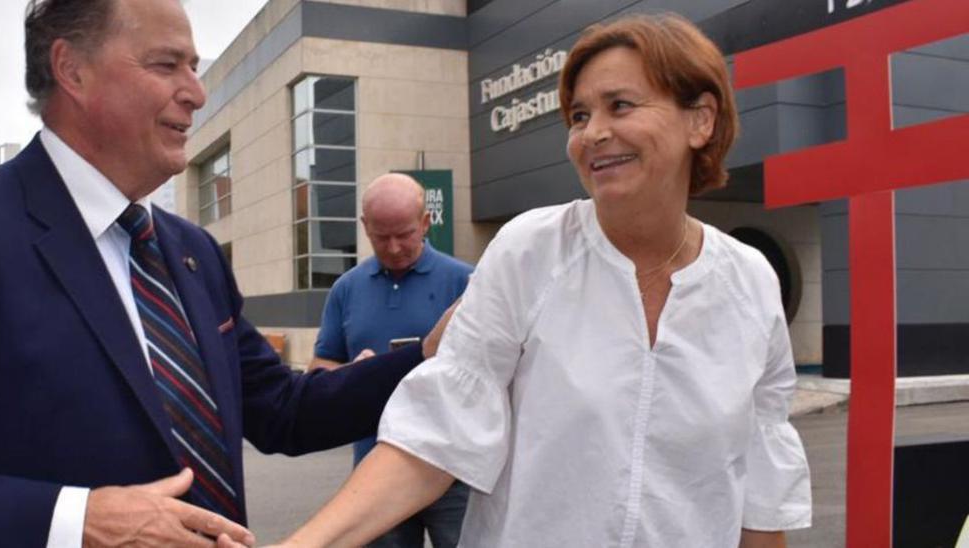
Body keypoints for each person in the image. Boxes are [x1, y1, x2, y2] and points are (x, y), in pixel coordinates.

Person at [0, 1, 438, 547]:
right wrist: (75, 521)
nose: (197, 91)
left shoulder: (191, 250)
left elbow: (282, 412)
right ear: (71, 69)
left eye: (195, 66)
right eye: (166, 64)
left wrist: (434, 356)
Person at [271, 13, 811, 548]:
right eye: (579, 115)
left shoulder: (749, 282)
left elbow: (759, 494)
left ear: (701, 120)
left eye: (619, 105)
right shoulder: (530, 251)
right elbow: (435, 436)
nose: (593, 133)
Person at [309, 173, 472, 548]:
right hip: (376, 470)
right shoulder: (346, 288)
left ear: (426, 222)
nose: (395, 247)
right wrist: (351, 374)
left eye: (405, 233)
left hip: (454, 469)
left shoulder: (467, 282)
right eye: (381, 237)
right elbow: (321, 368)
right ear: (364, 226)